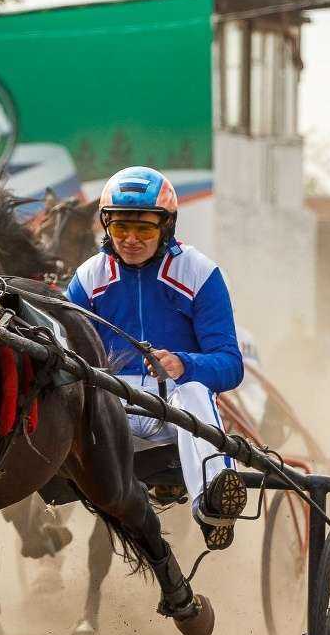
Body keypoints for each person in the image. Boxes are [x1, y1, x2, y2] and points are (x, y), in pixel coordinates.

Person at [65, 166, 247, 549]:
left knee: (195, 388)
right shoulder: (86, 279)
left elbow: (230, 365)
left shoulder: (200, 272)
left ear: (166, 227)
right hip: (111, 414)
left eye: (144, 229)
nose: (131, 240)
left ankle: (214, 505)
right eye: (119, 229)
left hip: (174, 410)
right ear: (106, 226)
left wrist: (184, 364)